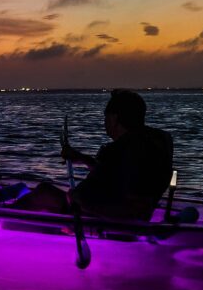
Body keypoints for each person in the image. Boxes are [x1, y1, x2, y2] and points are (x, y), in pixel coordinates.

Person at [16, 89, 173, 220]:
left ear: (114, 118)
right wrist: (83, 159)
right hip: (123, 215)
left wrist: (80, 201)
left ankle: (0, 220)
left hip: (99, 219)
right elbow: (116, 175)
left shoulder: (117, 151)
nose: (104, 121)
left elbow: (125, 199)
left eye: (106, 116)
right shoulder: (152, 145)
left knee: (44, 192)